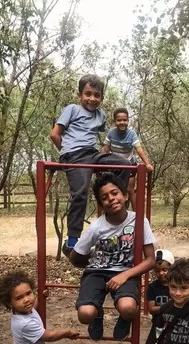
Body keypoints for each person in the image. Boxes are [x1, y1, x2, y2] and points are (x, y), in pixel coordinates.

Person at [50, 75, 131, 257]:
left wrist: (111, 150)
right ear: (80, 95)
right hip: (74, 155)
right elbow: (55, 134)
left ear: (101, 98)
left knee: (125, 165)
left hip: (93, 154)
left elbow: (97, 133)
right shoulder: (72, 109)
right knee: (80, 193)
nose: (92, 99)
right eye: (88, 94)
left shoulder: (100, 115)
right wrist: (66, 153)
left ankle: (114, 208)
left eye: (97, 95)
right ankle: (72, 240)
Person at [69, 172, 155, 340]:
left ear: (124, 194)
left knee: (128, 307)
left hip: (125, 271)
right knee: (85, 314)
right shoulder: (96, 227)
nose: (111, 199)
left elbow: (151, 260)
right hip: (97, 272)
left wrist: (124, 275)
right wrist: (93, 261)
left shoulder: (139, 221)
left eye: (115, 193)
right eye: (105, 197)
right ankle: (98, 314)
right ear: (101, 203)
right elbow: (75, 257)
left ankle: (124, 318)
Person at [102, 107, 153, 211]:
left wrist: (147, 164)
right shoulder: (111, 133)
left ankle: (137, 216)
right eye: (119, 120)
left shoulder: (131, 134)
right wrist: (99, 160)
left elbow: (138, 149)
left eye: (125, 120)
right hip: (115, 165)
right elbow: (106, 149)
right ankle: (111, 214)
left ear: (128, 121)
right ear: (114, 121)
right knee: (112, 189)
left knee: (129, 190)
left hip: (129, 164)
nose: (122, 122)